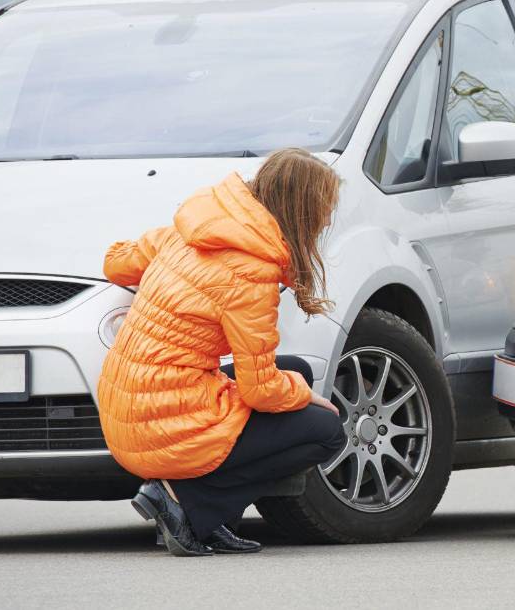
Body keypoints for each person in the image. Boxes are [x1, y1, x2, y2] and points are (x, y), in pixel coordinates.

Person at [97, 148, 347, 556]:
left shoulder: (197, 227)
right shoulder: (251, 273)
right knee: (325, 430)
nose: (325, 222)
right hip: (161, 422)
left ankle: (201, 516)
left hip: (126, 402)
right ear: (302, 212)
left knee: (295, 367)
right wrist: (305, 393)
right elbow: (260, 390)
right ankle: (186, 503)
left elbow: (116, 263)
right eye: (324, 211)